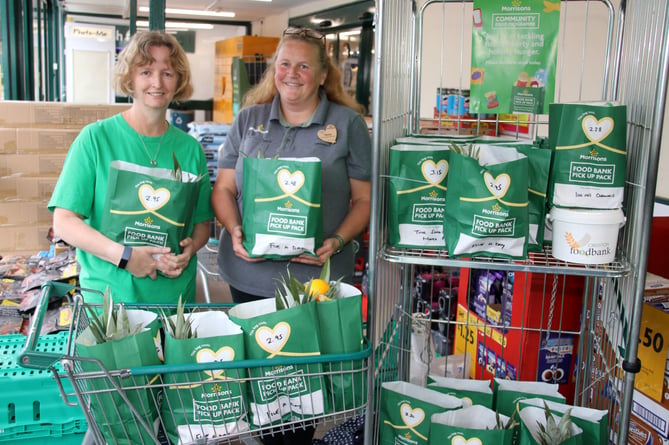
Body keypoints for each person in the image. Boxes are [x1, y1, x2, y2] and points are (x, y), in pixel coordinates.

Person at [211, 27, 372, 444]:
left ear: (323, 75)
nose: (292, 73)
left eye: (304, 65)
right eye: (284, 63)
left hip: (314, 284)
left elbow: (365, 201)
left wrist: (335, 242)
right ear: (273, 70)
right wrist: (234, 230)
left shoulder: (347, 124)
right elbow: (224, 189)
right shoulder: (250, 119)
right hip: (249, 280)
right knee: (260, 392)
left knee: (301, 397)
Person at [48, 31, 213, 304]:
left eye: (167, 73)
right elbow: (64, 222)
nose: (157, 82)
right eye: (146, 72)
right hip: (110, 299)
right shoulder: (96, 139)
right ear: (130, 78)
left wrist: (191, 248)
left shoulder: (190, 149)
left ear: (178, 80)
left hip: (174, 303)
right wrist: (125, 257)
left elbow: (201, 224)